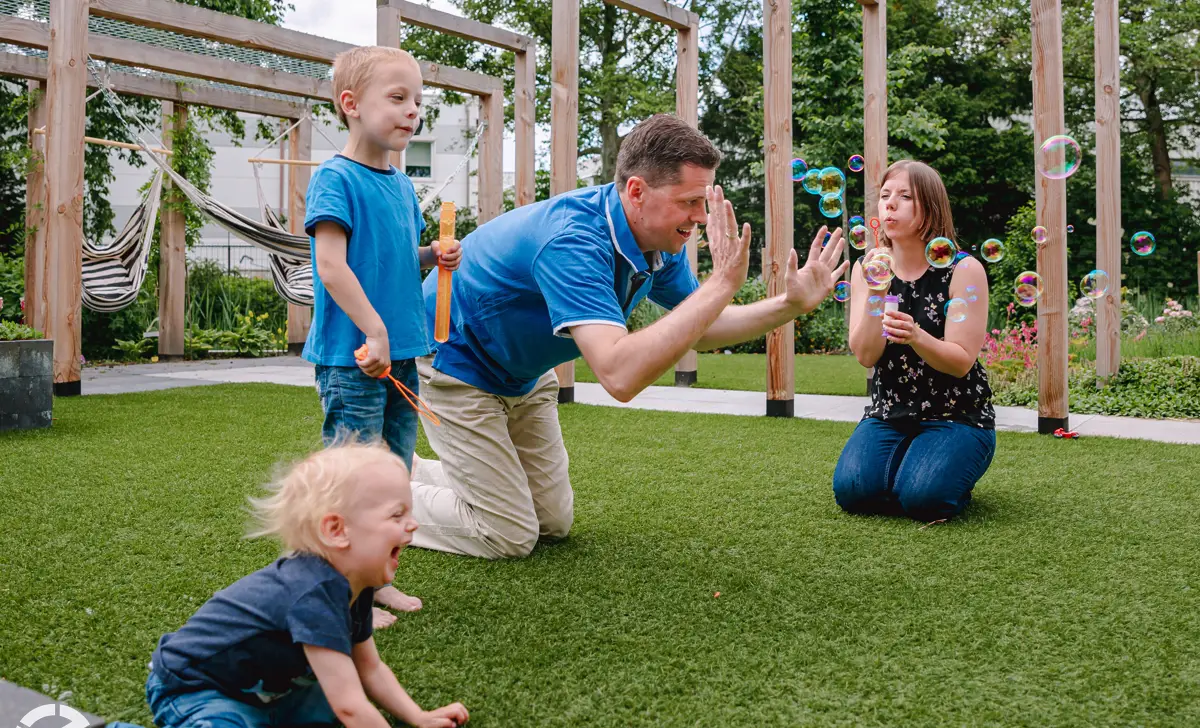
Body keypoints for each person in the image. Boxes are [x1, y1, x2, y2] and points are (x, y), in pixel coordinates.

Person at [407, 113, 848, 560]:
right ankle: (377, 496)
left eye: (705, 203)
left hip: (523, 374)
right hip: (457, 362)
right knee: (508, 535)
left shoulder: (656, 240)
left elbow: (703, 326)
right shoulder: (574, 243)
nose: (700, 217)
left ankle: (428, 471)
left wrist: (787, 306)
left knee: (551, 524)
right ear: (637, 191)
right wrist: (720, 284)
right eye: (691, 202)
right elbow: (618, 375)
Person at [104, 442, 473, 728]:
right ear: (336, 530)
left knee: (342, 694)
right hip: (193, 686)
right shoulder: (312, 592)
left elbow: (370, 668)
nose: (413, 525)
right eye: (398, 514)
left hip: (259, 687)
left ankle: (262, 716)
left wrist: (418, 716)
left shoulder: (356, 583)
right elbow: (350, 706)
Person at [303, 45, 461, 626]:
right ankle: (340, 594)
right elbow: (333, 268)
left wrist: (432, 255)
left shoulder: (397, 185)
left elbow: (389, 260)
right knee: (353, 482)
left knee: (394, 474)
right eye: (397, 98)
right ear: (351, 105)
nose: (412, 111)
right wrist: (373, 329)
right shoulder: (335, 181)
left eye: (417, 100)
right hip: (356, 359)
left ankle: (371, 582)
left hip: (398, 356)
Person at [833, 160, 996, 522]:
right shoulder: (869, 268)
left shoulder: (962, 269)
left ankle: (941, 471)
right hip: (890, 413)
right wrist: (877, 292)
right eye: (885, 196)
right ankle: (913, 463)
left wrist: (917, 336)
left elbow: (961, 361)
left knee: (925, 499)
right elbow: (865, 354)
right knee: (853, 491)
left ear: (930, 209)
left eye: (905, 196)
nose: (890, 204)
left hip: (956, 416)